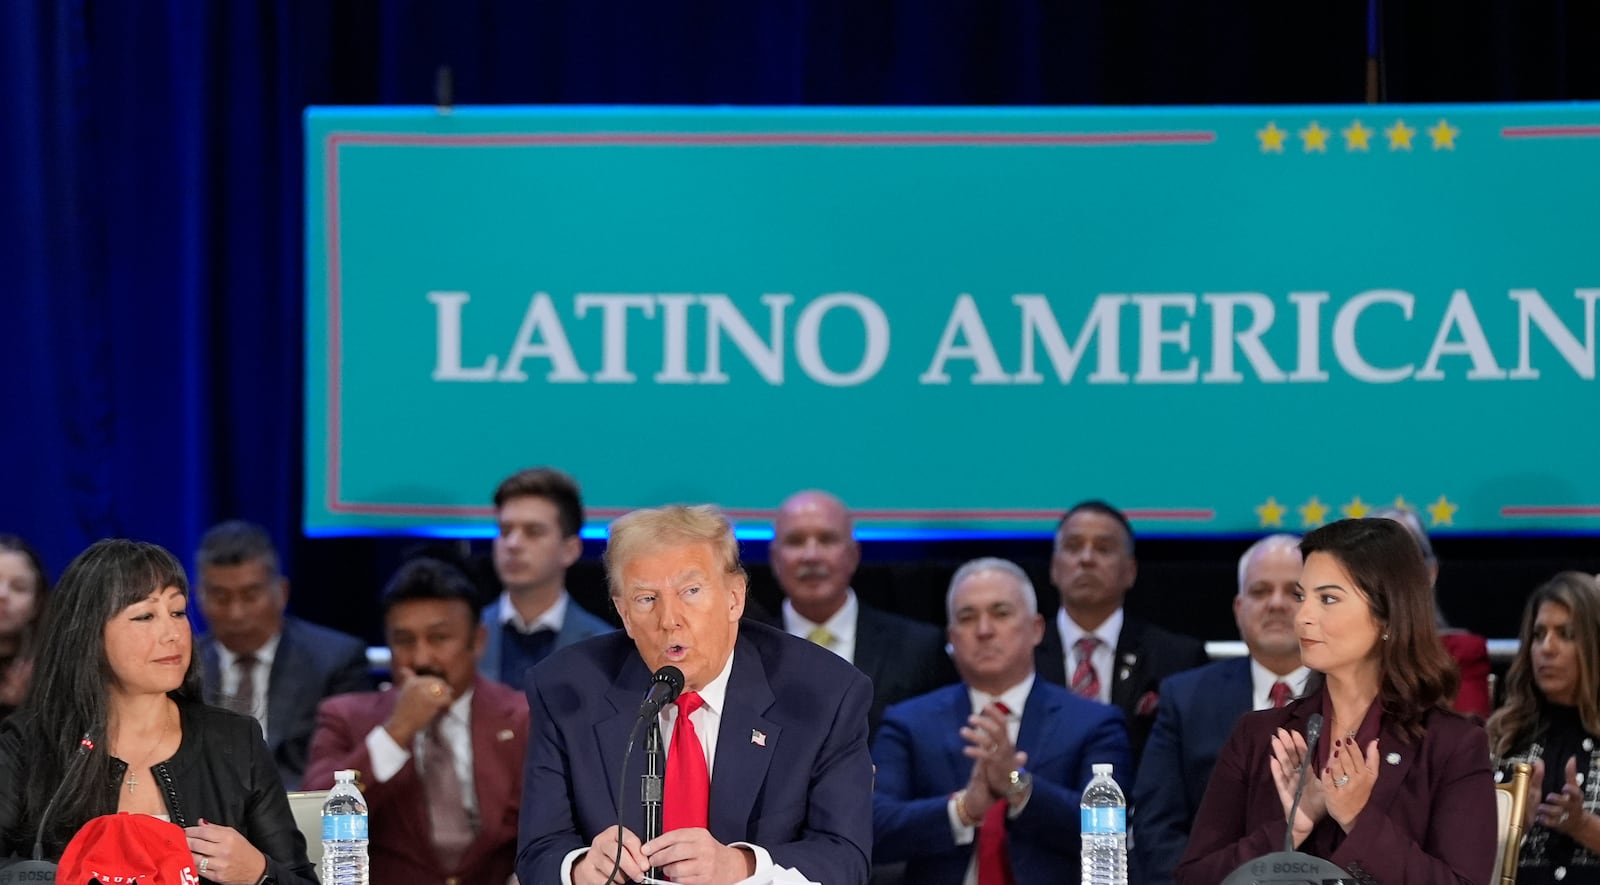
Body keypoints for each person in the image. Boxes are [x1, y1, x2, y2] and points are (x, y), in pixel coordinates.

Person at [517, 504, 874, 885]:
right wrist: (580, 867)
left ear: (734, 597)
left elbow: (845, 858)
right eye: (646, 599)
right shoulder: (565, 689)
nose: (670, 619)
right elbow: (539, 850)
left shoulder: (825, 693)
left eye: (690, 591)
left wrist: (741, 867)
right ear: (624, 615)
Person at [1176, 518, 1497, 885]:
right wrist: (1289, 832)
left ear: (1388, 616)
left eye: (1328, 599)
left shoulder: (1452, 746)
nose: (1303, 616)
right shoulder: (1259, 735)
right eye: (1303, 596)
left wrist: (1359, 821)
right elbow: (1194, 878)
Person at [0, 538, 316, 884]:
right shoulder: (26, 745)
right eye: (145, 615)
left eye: (177, 611)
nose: (172, 634)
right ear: (89, 634)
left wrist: (259, 872)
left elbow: (300, 878)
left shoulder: (236, 740)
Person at [872, 557, 1130, 885]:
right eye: (968, 618)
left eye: (1000, 613)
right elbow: (871, 827)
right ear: (951, 638)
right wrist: (963, 810)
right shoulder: (908, 722)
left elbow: (1111, 835)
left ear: (1037, 629)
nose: (984, 630)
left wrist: (1017, 785)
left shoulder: (1094, 722)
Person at [305, 557, 529, 885]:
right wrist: (397, 731)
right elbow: (311, 823)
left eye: (439, 638)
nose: (422, 658)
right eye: (405, 641)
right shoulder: (345, 718)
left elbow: (554, 828)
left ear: (477, 641)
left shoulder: (524, 717)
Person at [1133, 533, 1310, 885]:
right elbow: (1156, 828)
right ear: (1238, 609)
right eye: (1260, 591)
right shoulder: (1185, 698)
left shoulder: (1355, 695)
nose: (1276, 603)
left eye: (1294, 592)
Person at [194, 519, 372, 789]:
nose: (236, 613)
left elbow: (345, 767)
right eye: (221, 598)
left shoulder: (334, 660)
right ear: (200, 598)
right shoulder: (181, 665)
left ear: (282, 593)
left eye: (250, 596)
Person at [1034, 500, 1209, 773]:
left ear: (1130, 571)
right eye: (1073, 547)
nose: (1086, 559)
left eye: (1103, 548)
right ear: (1054, 568)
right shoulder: (1022, 652)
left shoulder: (1176, 658)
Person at [767, 490, 956, 737]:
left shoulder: (918, 649)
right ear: (775, 558)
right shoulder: (742, 650)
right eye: (795, 541)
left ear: (853, 555)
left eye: (826, 540)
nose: (811, 556)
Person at [1485, 571, 1600, 884]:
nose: (1547, 648)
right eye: (1538, 635)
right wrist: (1514, 822)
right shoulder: (1502, 736)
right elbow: (1460, 852)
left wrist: (1581, 825)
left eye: (1566, 634)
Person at [479, 467, 611, 689]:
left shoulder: (604, 648)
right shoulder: (464, 639)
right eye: (505, 530)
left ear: (570, 549)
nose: (513, 544)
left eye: (533, 532)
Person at [1373, 506, 1491, 718]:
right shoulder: (1336, 652)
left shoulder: (1461, 654)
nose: (1386, 575)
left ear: (1430, 572)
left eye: (1400, 561)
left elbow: (1467, 738)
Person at [0, 535, 48, 720]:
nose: (2, 594)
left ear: (37, 602)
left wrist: (22, 706)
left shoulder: (49, 669)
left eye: (18, 587)